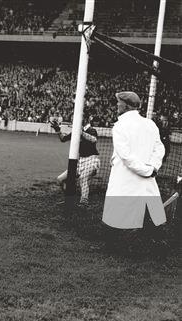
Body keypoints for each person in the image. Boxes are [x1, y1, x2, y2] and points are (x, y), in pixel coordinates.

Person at [102, 91, 166, 231]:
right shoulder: (150, 123)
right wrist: (153, 167)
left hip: (127, 178)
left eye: (119, 102)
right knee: (150, 219)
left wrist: (147, 170)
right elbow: (159, 149)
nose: (117, 105)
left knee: (121, 220)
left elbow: (126, 156)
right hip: (147, 177)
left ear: (125, 106)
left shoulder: (120, 126)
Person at [51, 115, 100, 206]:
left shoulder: (91, 130)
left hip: (92, 160)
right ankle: (69, 198)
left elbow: (94, 140)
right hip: (80, 161)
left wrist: (81, 133)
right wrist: (57, 130)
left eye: (75, 120)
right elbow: (63, 139)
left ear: (83, 120)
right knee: (60, 180)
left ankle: (84, 202)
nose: (73, 122)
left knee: (83, 178)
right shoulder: (76, 132)